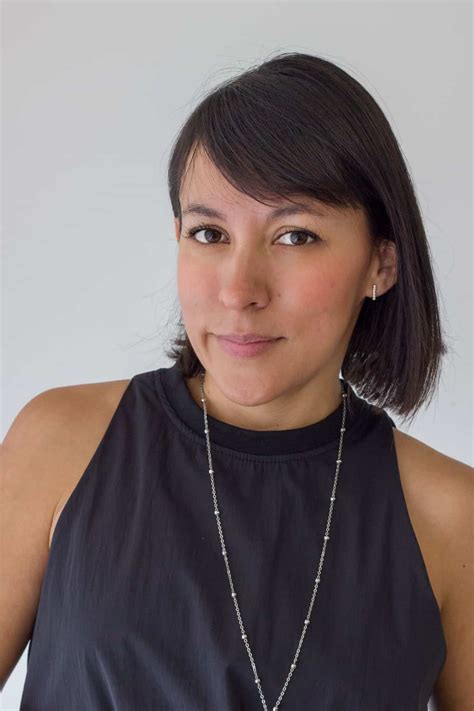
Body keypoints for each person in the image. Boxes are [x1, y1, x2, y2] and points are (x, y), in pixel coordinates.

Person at [1, 51, 472, 710]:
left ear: (381, 264)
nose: (238, 289)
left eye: (296, 236)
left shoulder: (452, 517)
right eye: (209, 233)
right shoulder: (60, 444)